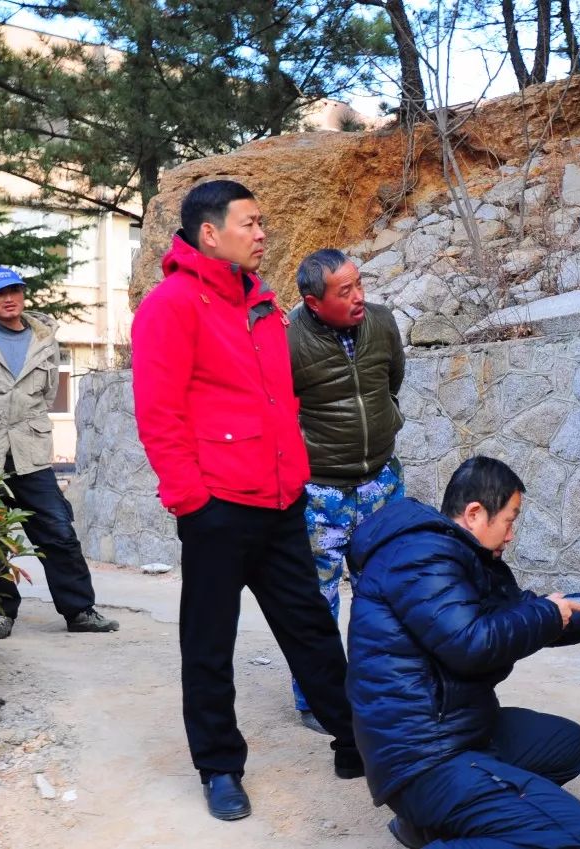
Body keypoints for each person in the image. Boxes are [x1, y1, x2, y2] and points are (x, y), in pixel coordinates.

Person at [130, 179, 363, 822]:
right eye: (251, 223)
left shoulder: (262, 304)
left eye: (262, 223)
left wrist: (298, 473)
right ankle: (220, 768)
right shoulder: (171, 306)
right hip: (217, 508)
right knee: (210, 644)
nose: (263, 234)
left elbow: (276, 400)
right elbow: (159, 414)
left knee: (312, 629)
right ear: (211, 233)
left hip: (281, 498)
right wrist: (191, 503)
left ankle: (356, 741)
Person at [346, 456, 580, 849]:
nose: (511, 534)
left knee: (567, 745)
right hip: (423, 758)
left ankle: (430, 825)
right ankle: (435, 816)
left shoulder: (459, 557)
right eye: (509, 519)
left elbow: (539, 618)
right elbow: (472, 644)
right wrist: (545, 615)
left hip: (456, 731)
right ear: (474, 514)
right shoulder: (421, 557)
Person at [0, 267, 120, 640]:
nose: (10, 298)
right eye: (0, 293)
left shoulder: (44, 338)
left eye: (16, 291)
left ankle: (80, 610)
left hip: (30, 454)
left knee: (57, 532)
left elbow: (47, 393)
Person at [287, 248, 406, 735]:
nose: (359, 297)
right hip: (320, 492)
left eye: (359, 285)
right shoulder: (288, 341)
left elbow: (392, 380)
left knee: (385, 589)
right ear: (315, 302)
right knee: (318, 598)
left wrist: (387, 421)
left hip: (381, 481)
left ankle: (385, 688)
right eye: (345, 291)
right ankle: (316, 699)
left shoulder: (381, 323)